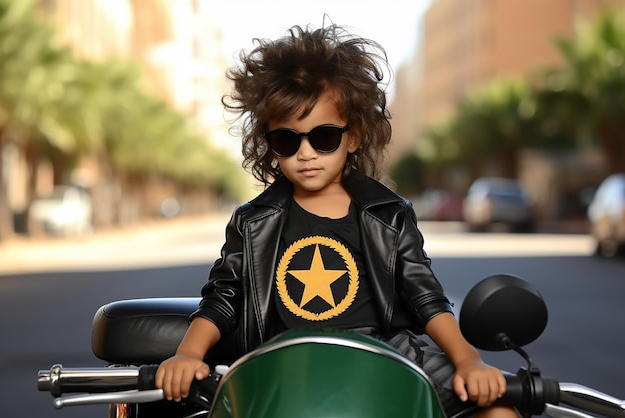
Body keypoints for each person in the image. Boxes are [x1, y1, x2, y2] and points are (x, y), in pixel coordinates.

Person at [156, 23, 517, 417]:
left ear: (354, 136)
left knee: (499, 408)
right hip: (282, 357)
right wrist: (187, 354)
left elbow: (425, 297)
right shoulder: (252, 220)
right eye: (287, 140)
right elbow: (223, 299)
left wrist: (468, 361)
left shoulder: (389, 214)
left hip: (386, 352)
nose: (306, 153)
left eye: (324, 137)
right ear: (270, 146)